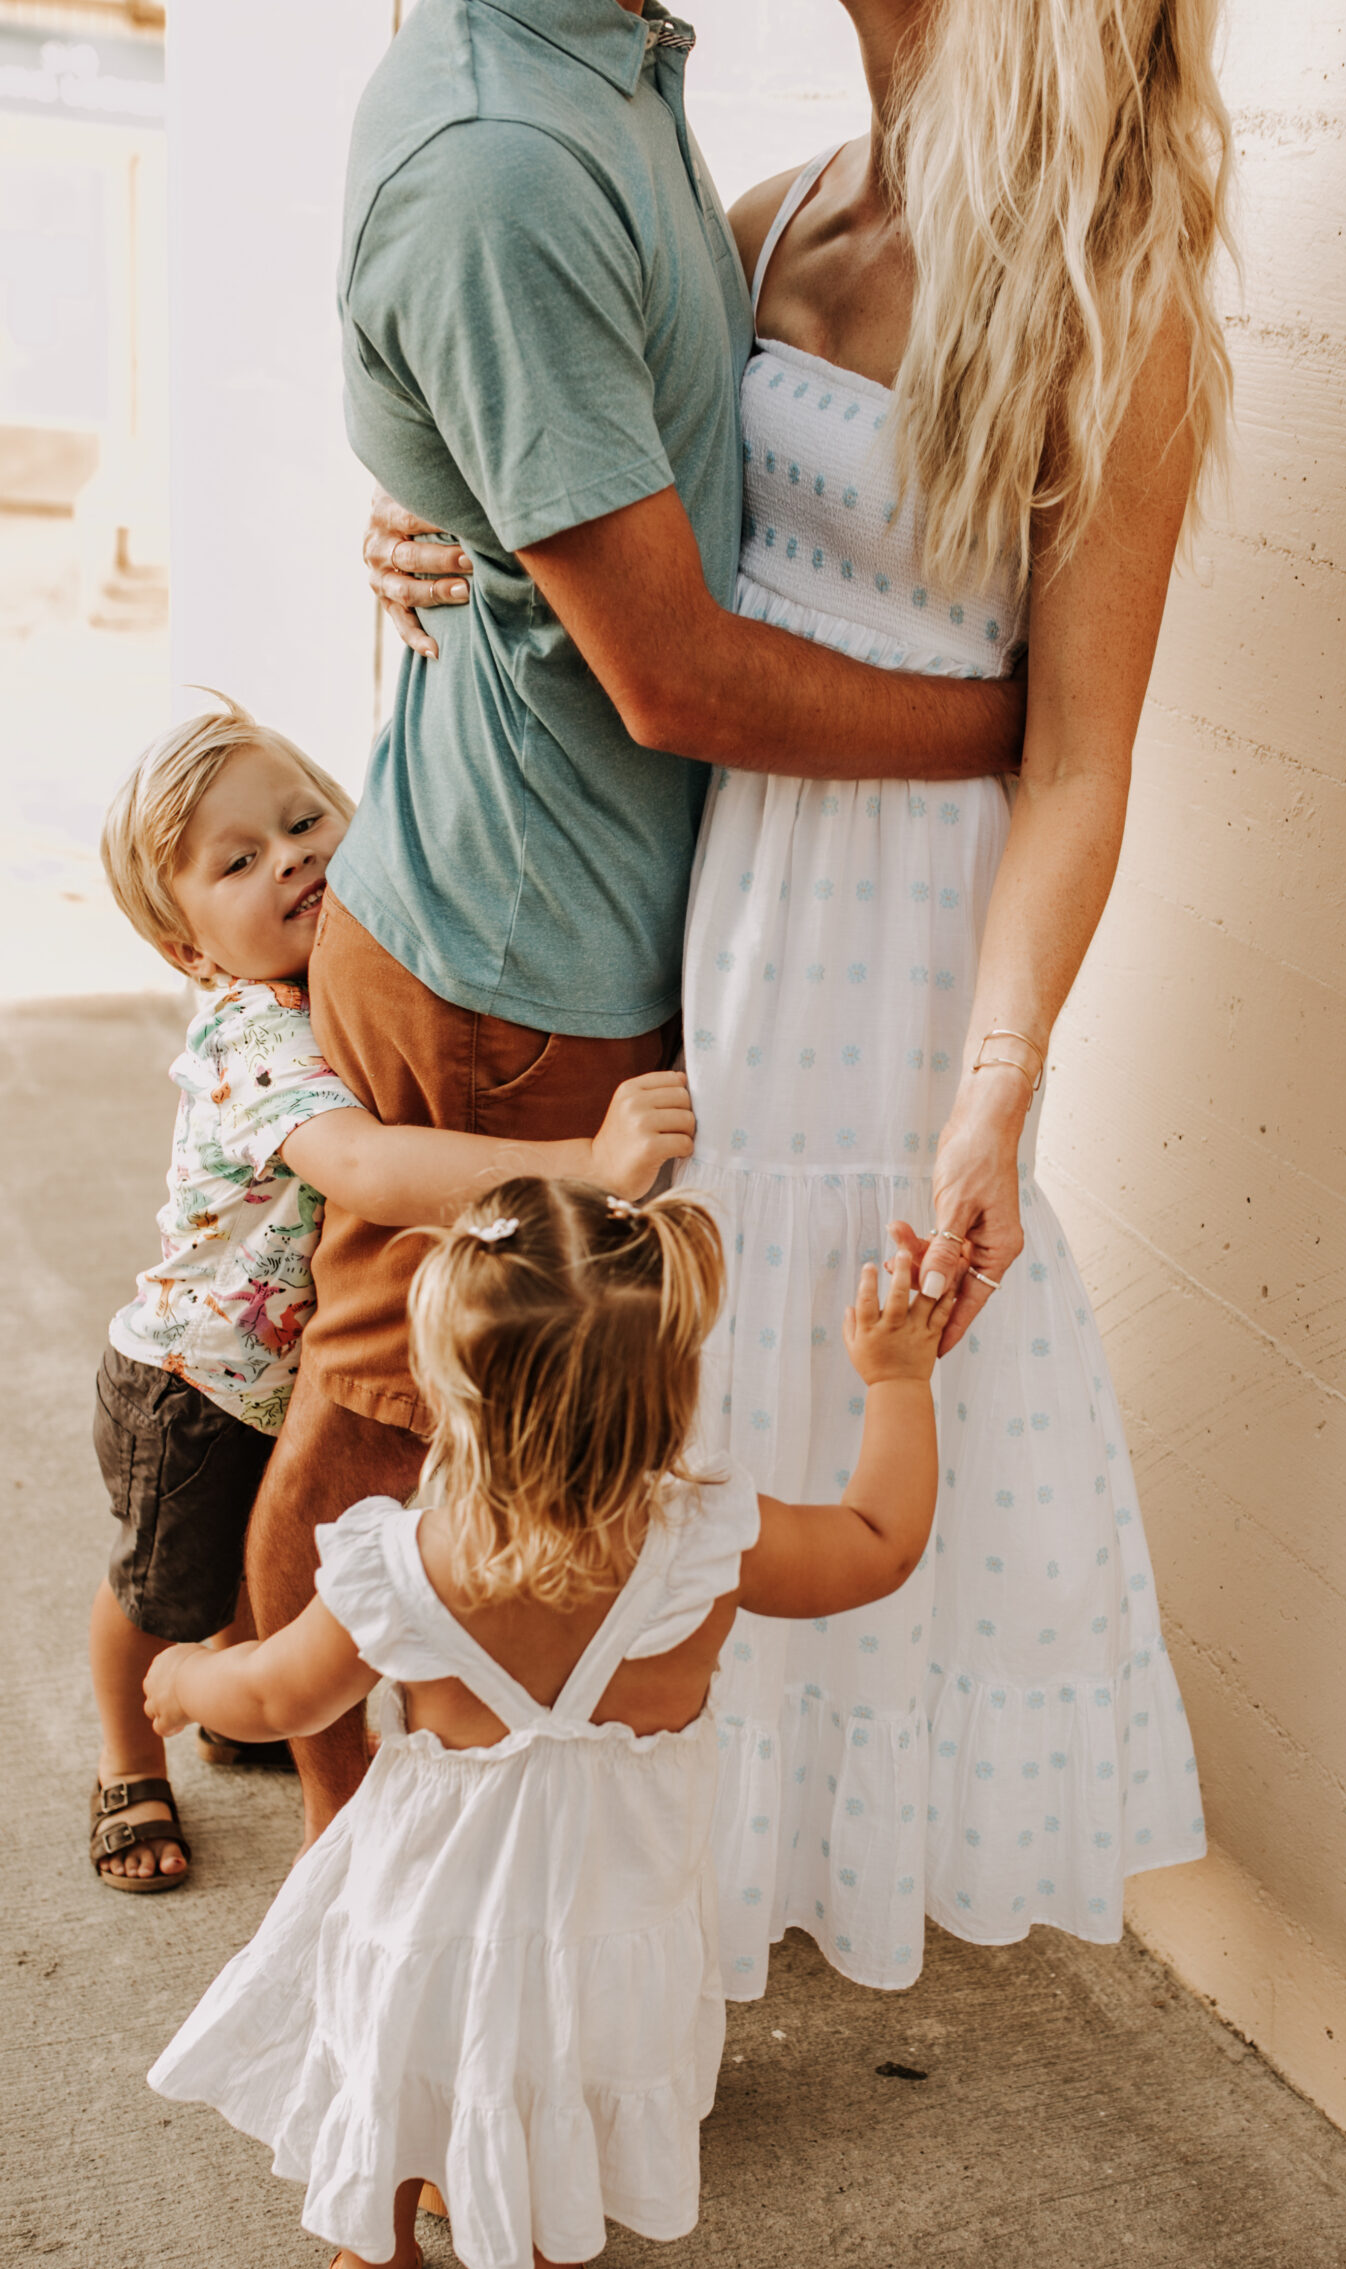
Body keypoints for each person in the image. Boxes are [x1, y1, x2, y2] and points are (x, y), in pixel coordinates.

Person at [367, 0, 1235, 1994]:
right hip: (714, 904)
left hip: (904, 964)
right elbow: (580, 478)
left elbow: (1082, 760)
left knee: (831, 1393)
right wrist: (428, 519)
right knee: (664, 1393)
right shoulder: (761, 217)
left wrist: (989, 1095)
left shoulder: (1115, 299)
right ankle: (594, 1888)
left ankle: (730, 1902)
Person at [256, 0, 1024, 1858]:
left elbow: (555, 400)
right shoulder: (502, 161)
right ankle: (350, 1850)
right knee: (388, 1436)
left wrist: (440, 479)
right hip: (509, 972)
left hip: (564, 925)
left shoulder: (604, 59)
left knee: (444, 1424)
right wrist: (1022, 723)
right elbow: (672, 676)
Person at [144, 1179, 950, 2269]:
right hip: (608, 1904)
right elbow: (880, 1546)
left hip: (425, 1903)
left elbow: (275, 1696)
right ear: (665, 1383)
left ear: (456, 1390)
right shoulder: (709, 1540)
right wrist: (898, 1380)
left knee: (408, 2057)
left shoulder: (402, 1560)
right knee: (556, 2063)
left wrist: (183, 1688)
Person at [89, 702, 692, 1891]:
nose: (295, 856)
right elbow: (367, 1166)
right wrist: (585, 1165)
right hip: (196, 1385)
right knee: (163, 1584)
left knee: (267, 1562)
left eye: (305, 820)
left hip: (275, 1369)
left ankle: (239, 1698)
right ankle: (125, 1756)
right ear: (191, 952)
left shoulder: (342, 980)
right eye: (241, 861)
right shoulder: (248, 1036)